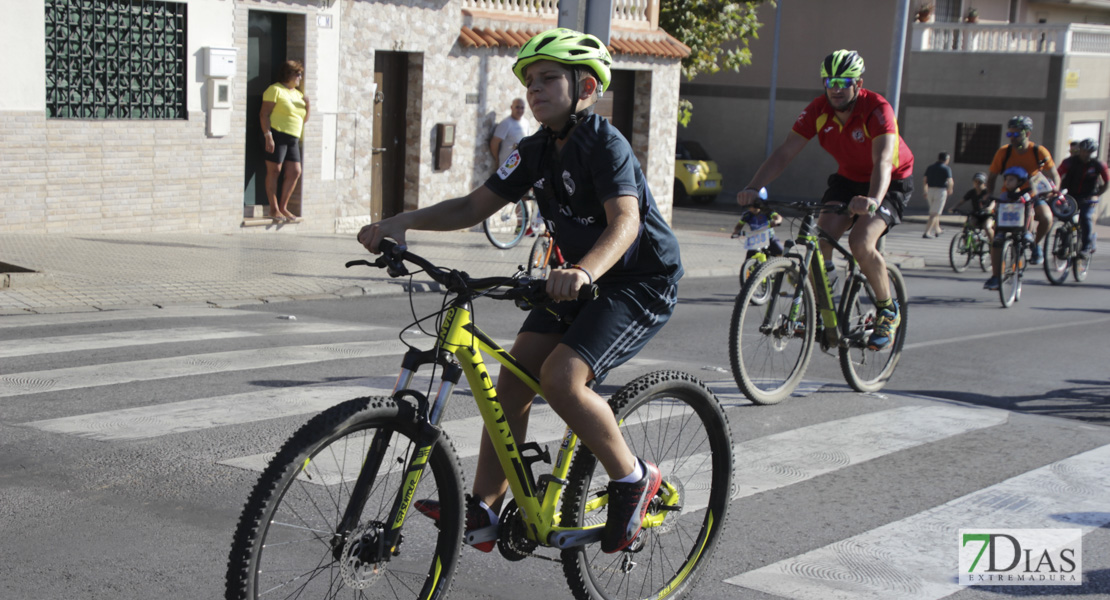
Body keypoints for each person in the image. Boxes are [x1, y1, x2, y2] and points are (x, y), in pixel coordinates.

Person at [357, 28, 683, 555]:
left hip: (636, 279)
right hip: (577, 275)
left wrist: (584, 272)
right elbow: (471, 207)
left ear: (587, 86)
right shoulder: (534, 151)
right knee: (513, 380)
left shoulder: (606, 143)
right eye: (531, 81)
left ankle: (632, 478)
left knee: (561, 378)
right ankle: (485, 507)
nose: (536, 89)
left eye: (549, 78)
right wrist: (402, 221)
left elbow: (625, 221)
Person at [737, 49, 913, 351]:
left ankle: (888, 310)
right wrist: (754, 187)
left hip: (890, 181)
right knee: (822, 240)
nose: (836, 87)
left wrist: (872, 199)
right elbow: (785, 152)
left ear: (858, 83)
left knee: (861, 241)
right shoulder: (818, 110)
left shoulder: (877, 109)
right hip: (848, 179)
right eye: (830, 80)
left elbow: (884, 161)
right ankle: (824, 305)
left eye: (844, 81)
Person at [986, 115, 1059, 265]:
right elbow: (992, 177)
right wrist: (988, 195)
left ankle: (1035, 244)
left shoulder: (1038, 151)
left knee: (1046, 218)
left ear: (1027, 133)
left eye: (1016, 134)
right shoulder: (1003, 152)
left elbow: (1054, 174)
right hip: (1010, 195)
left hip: (1034, 194)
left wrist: (1054, 189)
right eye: (1009, 134)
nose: (1012, 137)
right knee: (999, 230)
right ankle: (999, 269)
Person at [260, 60, 309, 224]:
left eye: (300, 74)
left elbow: (303, 119)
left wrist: (307, 106)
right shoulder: (275, 90)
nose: (300, 78)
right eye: (298, 74)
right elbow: (264, 114)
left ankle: (283, 207)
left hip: (293, 138)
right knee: (275, 171)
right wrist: (268, 135)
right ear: (289, 74)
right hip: (277, 134)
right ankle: (273, 208)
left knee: (295, 171)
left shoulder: (298, 94)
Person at [984, 166, 1035, 290]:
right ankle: (997, 274)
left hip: (1020, 225)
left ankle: (1028, 233)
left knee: (1030, 212)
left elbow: (1029, 203)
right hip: (1004, 225)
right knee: (997, 241)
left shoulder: (1025, 195)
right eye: (1006, 179)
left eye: (1011, 180)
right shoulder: (1004, 195)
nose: (1007, 182)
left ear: (1020, 182)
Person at [1057, 138, 1109, 259]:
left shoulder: (1098, 165)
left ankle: (1086, 247)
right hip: (1070, 195)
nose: (1085, 154)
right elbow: (1058, 176)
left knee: (1085, 218)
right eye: (1083, 151)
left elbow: (1107, 182)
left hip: (1088, 197)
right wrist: (1057, 192)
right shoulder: (1069, 162)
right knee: (1065, 219)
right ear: (1079, 150)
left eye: (1089, 152)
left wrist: (1097, 195)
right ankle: (1063, 246)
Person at [949, 171, 995, 242]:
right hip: (976, 214)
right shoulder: (972, 192)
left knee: (987, 227)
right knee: (968, 226)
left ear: (984, 184)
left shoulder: (987, 192)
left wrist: (989, 208)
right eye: (975, 181)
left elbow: (993, 202)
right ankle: (966, 244)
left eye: (980, 182)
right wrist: (954, 207)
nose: (977, 184)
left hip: (987, 215)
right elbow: (962, 201)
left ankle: (993, 245)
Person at [489, 98, 530, 167]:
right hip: (506, 166)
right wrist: (497, 159)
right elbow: (494, 143)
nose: (520, 110)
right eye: (517, 107)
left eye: (522, 108)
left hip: (520, 164)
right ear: (512, 107)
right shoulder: (506, 123)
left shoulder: (526, 123)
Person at [922, 152, 954, 238]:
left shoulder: (930, 167)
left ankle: (937, 229)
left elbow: (925, 180)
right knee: (934, 213)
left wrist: (925, 191)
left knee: (935, 211)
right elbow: (950, 181)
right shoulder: (946, 168)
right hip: (940, 190)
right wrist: (950, 189)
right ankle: (927, 232)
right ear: (946, 159)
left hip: (930, 190)